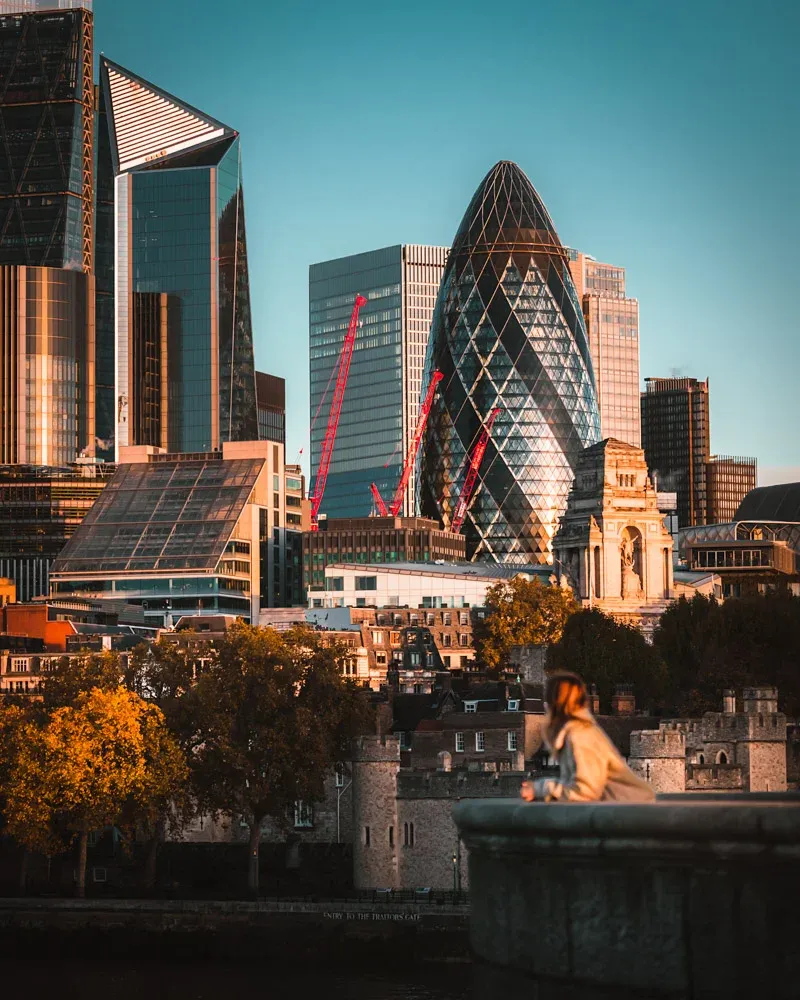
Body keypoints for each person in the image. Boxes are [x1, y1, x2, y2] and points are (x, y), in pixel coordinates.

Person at [520, 671, 655, 803]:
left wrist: (539, 788)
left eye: (548, 700)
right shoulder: (576, 731)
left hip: (629, 811)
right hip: (623, 808)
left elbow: (584, 791)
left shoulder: (579, 736)